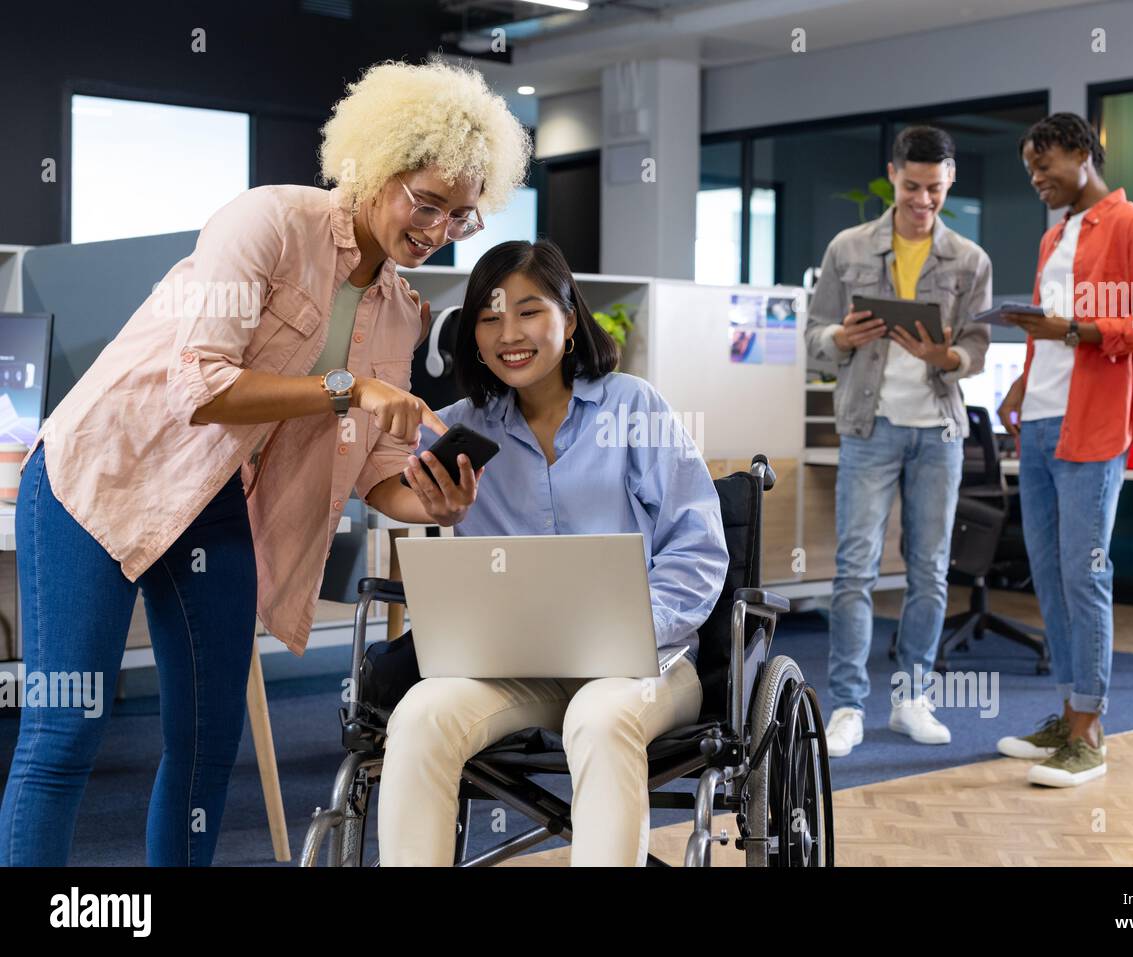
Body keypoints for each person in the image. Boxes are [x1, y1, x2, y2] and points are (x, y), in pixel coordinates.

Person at [0, 58, 530, 865]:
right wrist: (348, 389)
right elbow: (201, 385)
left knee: (209, 744)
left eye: (461, 215)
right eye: (426, 202)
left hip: (212, 507)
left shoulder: (401, 312)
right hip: (100, 472)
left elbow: (377, 475)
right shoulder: (267, 223)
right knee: (65, 731)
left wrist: (435, 504)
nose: (437, 229)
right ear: (375, 166)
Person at [377, 239, 729, 867]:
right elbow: (366, 479)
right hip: (517, 663)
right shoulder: (457, 428)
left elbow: (697, 548)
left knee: (599, 715)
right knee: (421, 715)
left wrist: (636, 627)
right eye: (488, 317)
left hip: (643, 661)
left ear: (569, 318)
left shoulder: (632, 407)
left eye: (528, 311)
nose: (508, 333)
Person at [995, 113, 1133, 786]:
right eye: (1028, 170)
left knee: (1085, 574)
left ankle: (1091, 731)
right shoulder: (1053, 238)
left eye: (1044, 165)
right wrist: (1022, 379)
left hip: (1094, 422)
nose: (1037, 179)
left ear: (1082, 152)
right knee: (1047, 574)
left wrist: (1080, 329)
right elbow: (1051, 330)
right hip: (1042, 421)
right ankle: (1068, 710)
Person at [805, 126, 992, 754]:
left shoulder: (969, 260)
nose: (923, 200)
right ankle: (849, 707)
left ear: (950, 180)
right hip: (870, 427)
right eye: (912, 187)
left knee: (930, 571)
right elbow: (812, 334)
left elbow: (978, 348)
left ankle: (913, 699)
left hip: (939, 430)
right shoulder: (848, 248)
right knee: (855, 570)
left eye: (935, 189)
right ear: (893, 174)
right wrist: (841, 340)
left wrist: (950, 356)